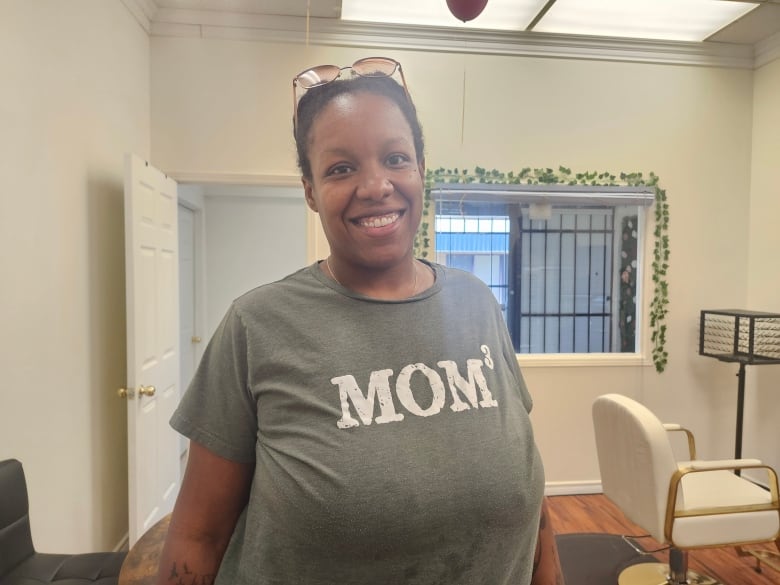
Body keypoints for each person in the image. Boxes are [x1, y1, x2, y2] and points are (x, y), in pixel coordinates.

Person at [156, 56, 564, 585]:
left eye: (396, 158)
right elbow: (198, 538)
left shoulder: (476, 303)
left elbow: (529, 495)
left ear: (420, 170)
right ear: (310, 190)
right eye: (341, 168)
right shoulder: (256, 327)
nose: (376, 186)